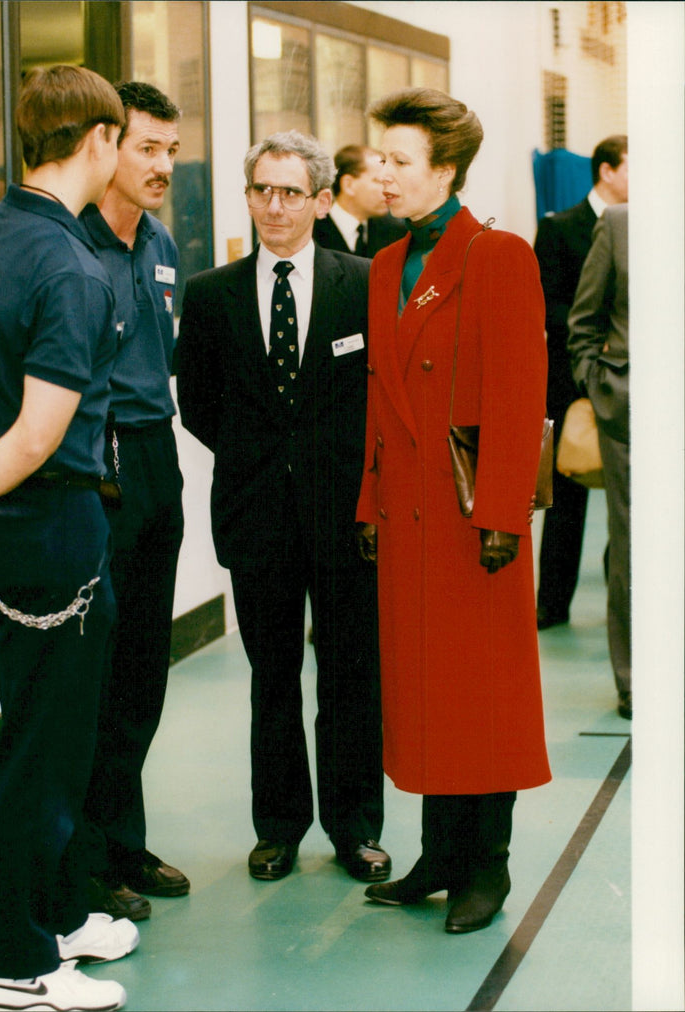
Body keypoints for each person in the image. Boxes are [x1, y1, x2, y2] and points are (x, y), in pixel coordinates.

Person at [0, 66, 138, 1012]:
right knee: (42, 744)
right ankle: (12, 960)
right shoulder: (70, 265)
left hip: (4, 519)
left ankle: (59, 914)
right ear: (99, 142)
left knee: (57, 731)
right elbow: (37, 432)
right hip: (42, 519)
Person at [356, 88, 551, 934]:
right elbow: (379, 400)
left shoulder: (496, 255)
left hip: (475, 520)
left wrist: (504, 512)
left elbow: (517, 392)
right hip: (406, 513)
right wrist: (369, 498)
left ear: (446, 168)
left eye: (399, 162)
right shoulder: (387, 263)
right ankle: (439, 856)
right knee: (424, 691)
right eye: (379, 160)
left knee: (483, 695)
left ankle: (489, 867)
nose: (381, 175)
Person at [176, 130, 389, 884]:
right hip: (256, 514)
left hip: (347, 518)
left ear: (322, 200)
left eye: (290, 191)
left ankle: (355, 825)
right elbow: (199, 403)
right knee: (272, 678)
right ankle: (278, 828)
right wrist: (261, 459)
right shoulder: (210, 296)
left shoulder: (364, 283)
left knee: (350, 675)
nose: (274, 204)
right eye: (261, 189)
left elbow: (381, 399)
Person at [80, 81, 189, 924]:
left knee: (145, 671)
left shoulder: (158, 240)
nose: (162, 165)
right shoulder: (69, 246)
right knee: (95, 675)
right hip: (96, 461)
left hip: (156, 459)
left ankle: (124, 839)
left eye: (170, 150)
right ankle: (85, 858)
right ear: (105, 145)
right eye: (146, 147)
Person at [533, 135, 628, 629]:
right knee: (566, 499)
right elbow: (544, 301)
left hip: (625, 383)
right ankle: (551, 604)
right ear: (607, 171)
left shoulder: (641, 229)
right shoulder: (559, 228)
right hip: (572, 381)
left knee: (628, 498)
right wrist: (595, 339)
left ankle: (626, 593)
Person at [567, 203, 630, 718]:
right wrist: (598, 382)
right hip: (630, 413)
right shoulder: (619, 222)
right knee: (632, 548)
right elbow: (584, 318)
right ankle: (634, 680)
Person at [313, 143, 407, 257]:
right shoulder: (311, 233)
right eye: (378, 181)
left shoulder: (396, 232)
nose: (388, 190)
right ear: (349, 185)